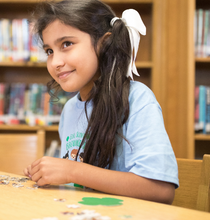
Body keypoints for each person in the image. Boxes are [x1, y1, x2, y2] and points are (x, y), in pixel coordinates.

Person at [24, 0, 179, 204]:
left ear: (104, 43)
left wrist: (72, 171)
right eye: (49, 51)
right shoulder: (70, 109)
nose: (55, 62)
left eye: (67, 44)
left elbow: (161, 191)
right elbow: (75, 185)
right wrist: (47, 173)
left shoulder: (137, 99)